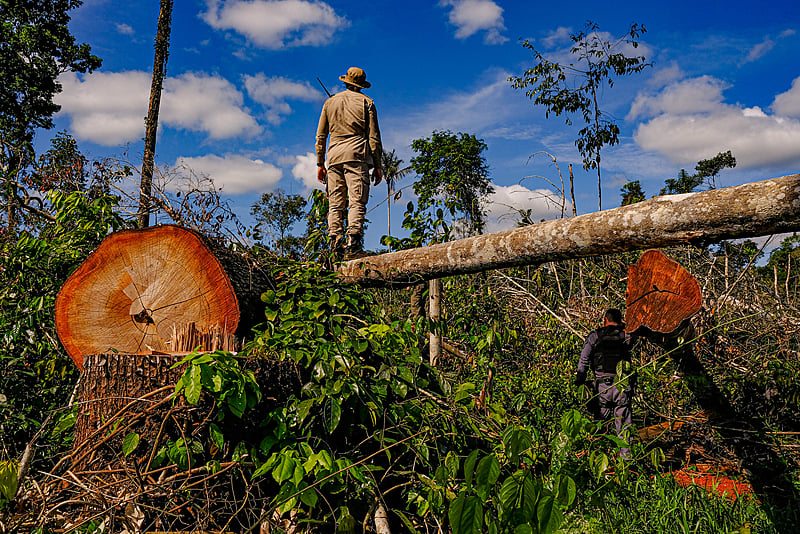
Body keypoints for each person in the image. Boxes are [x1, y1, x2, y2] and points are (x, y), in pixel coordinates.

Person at [315, 66, 382, 259]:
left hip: (334, 158)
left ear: (345, 81)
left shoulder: (330, 102)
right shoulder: (367, 102)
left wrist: (320, 163)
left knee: (335, 204)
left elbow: (321, 136)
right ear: (361, 86)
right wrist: (377, 165)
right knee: (356, 202)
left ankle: (334, 246)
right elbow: (374, 138)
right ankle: (353, 245)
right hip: (357, 156)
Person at [574, 308, 637, 458]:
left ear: (605, 320)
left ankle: (598, 462)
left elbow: (583, 360)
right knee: (624, 429)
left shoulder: (595, 336)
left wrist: (580, 381)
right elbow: (635, 332)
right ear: (620, 321)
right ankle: (626, 463)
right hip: (621, 386)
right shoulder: (625, 336)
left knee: (599, 429)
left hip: (602, 387)